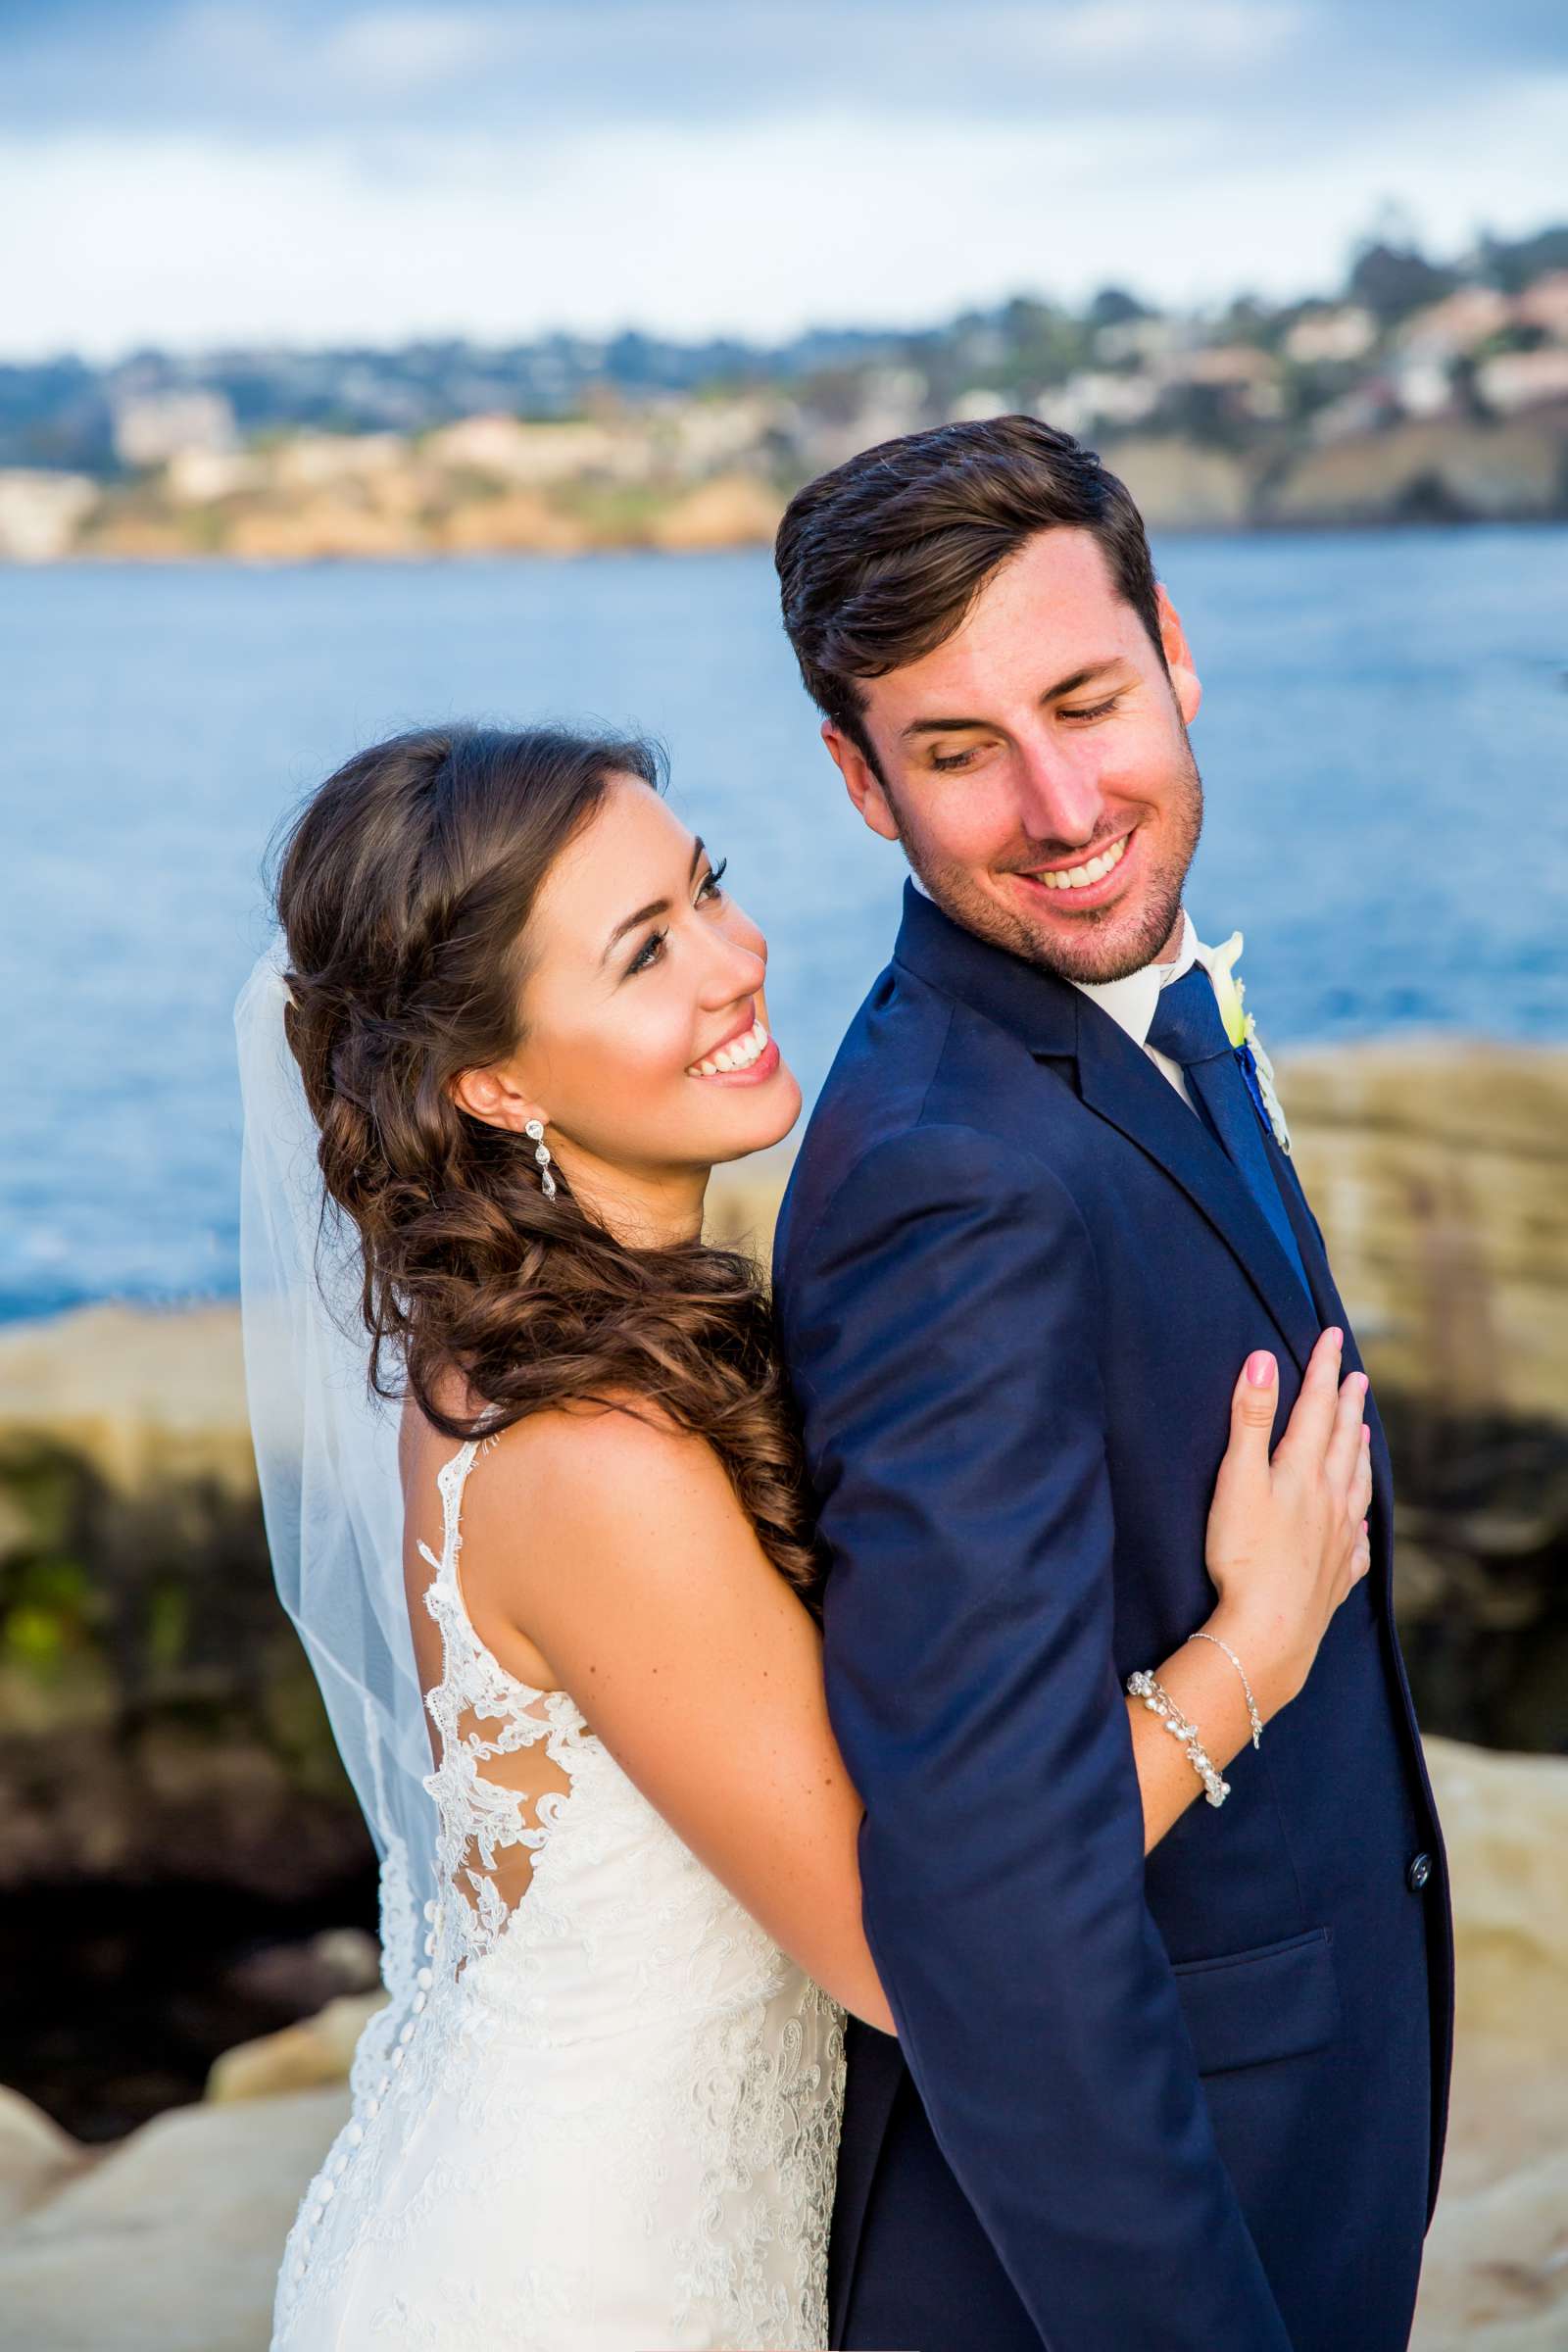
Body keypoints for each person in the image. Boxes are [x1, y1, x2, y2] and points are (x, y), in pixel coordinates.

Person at [238, 721, 1375, 2351]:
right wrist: (1250, 1648)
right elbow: (910, 1946)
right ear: (489, 1079)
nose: (735, 961)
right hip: (586, 2276)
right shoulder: (592, 1451)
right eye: (646, 952)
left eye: (709, 889)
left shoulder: (544, 1347)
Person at [771, 414, 1454, 2352]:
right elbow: (991, 1903)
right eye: (958, 752)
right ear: (857, 781)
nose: (1061, 807)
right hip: (1117, 2257)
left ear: (1175, 648)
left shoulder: (1107, 1016)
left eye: (1084, 699)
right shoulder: (945, 1174)